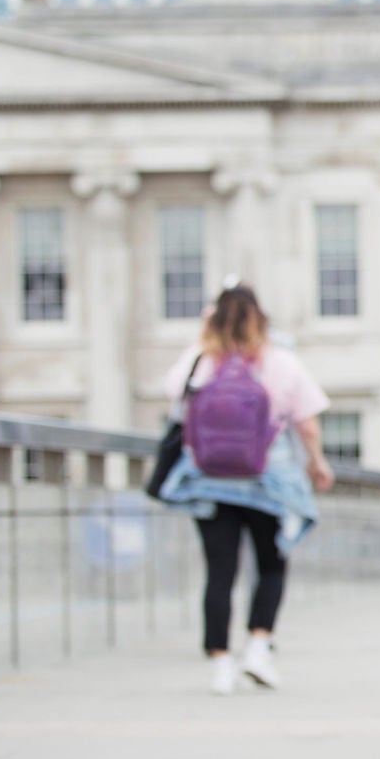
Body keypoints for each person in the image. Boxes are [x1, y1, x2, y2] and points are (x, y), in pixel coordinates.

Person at [158, 285, 334, 695]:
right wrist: (317, 462)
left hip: (209, 479)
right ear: (261, 319)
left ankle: (221, 664)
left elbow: (174, 397)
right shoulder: (281, 361)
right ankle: (258, 646)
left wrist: (202, 337)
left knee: (219, 571)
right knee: (271, 565)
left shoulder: (199, 360)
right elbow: (307, 424)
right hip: (267, 479)